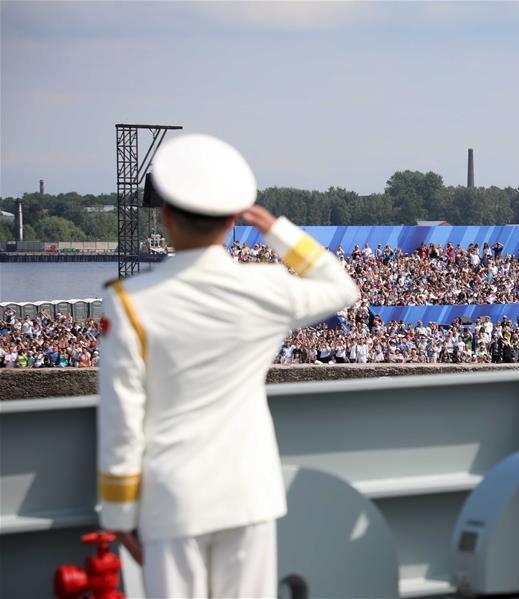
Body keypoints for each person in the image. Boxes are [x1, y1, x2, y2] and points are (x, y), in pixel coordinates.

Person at [97, 134, 359, 598]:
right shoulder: (267, 287)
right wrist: (275, 230)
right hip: (248, 491)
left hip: (173, 498)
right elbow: (341, 288)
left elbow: (122, 421)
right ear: (234, 220)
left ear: (166, 217)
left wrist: (119, 514)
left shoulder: (129, 303)